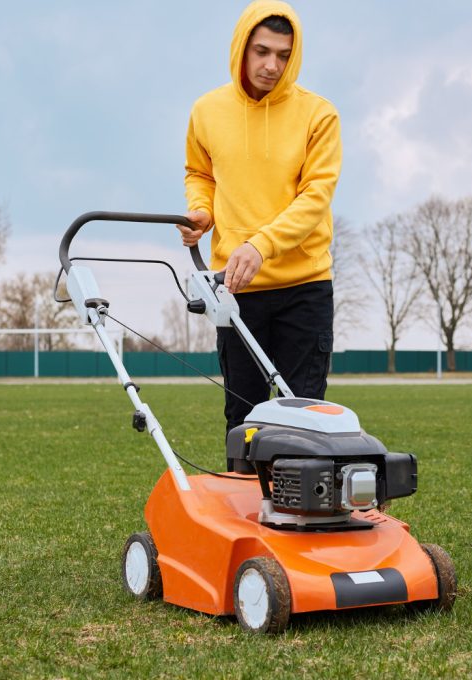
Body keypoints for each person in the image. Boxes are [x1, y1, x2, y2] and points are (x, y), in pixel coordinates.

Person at [178, 0, 342, 437]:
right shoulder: (207, 111)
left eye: (284, 55)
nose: (272, 65)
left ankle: (300, 508)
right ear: (241, 49)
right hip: (237, 289)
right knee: (243, 422)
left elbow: (316, 196)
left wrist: (260, 245)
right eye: (262, 51)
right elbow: (200, 172)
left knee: (304, 422)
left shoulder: (318, 115)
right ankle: (243, 505)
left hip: (304, 289)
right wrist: (202, 211)